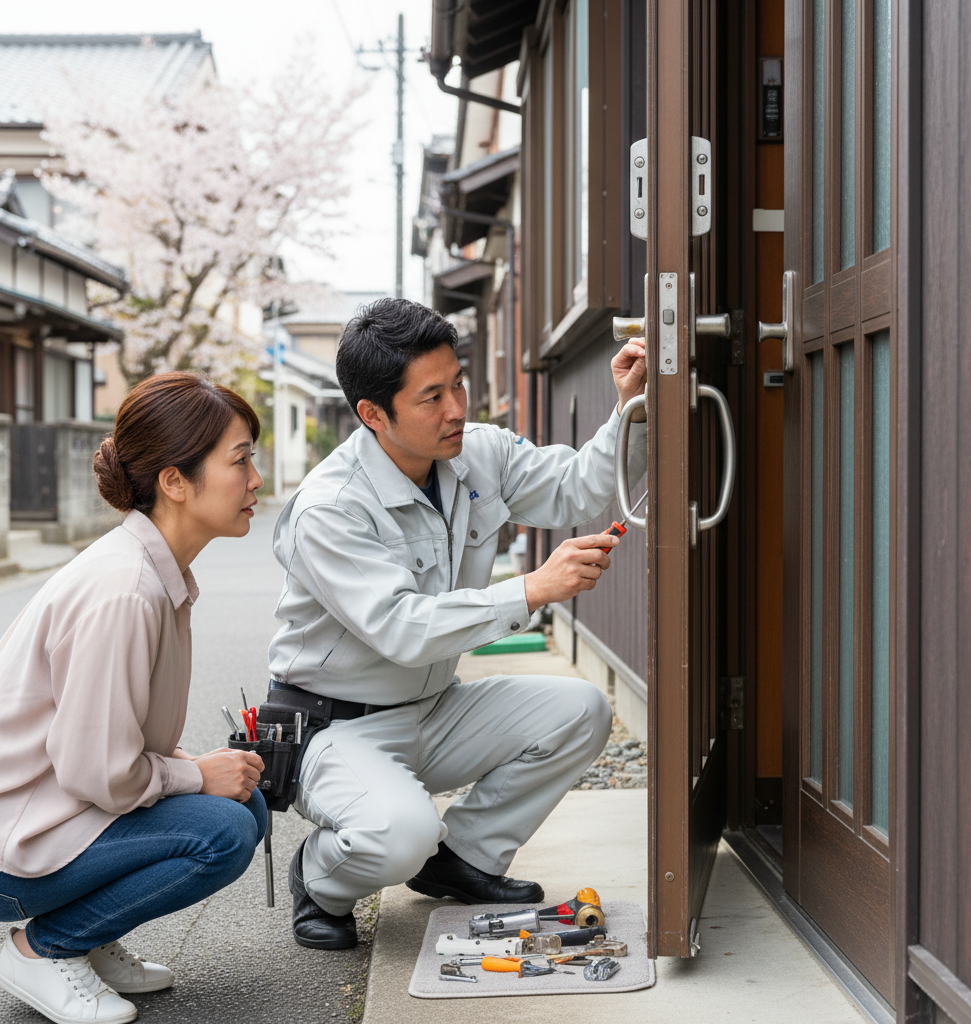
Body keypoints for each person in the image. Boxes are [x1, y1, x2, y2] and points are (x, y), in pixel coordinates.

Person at [269, 297, 647, 950]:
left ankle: (462, 860)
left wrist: (629, 407)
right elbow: (401, 628)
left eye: (459, 383)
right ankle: (320, 877)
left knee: (582, 710)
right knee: (399, 834)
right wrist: (531, 588)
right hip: (336, 729)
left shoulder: (479, 454)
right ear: (372, 414)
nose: (456, 409)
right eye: (431, 396)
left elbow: (581, 488)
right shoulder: (329, 509)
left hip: (432, 707)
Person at [0, 372, 267, 1024]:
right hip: (17, 844)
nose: (256, 479)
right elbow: (99, 772)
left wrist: (196, 774)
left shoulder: (152, 571)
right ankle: (38, 946)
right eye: (240, 460)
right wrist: (195, 773)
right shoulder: (126, 590)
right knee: (226, 831)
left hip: (54, 817)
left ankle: (84, 937)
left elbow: (111, 744)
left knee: (244, 803)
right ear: (175, 482)